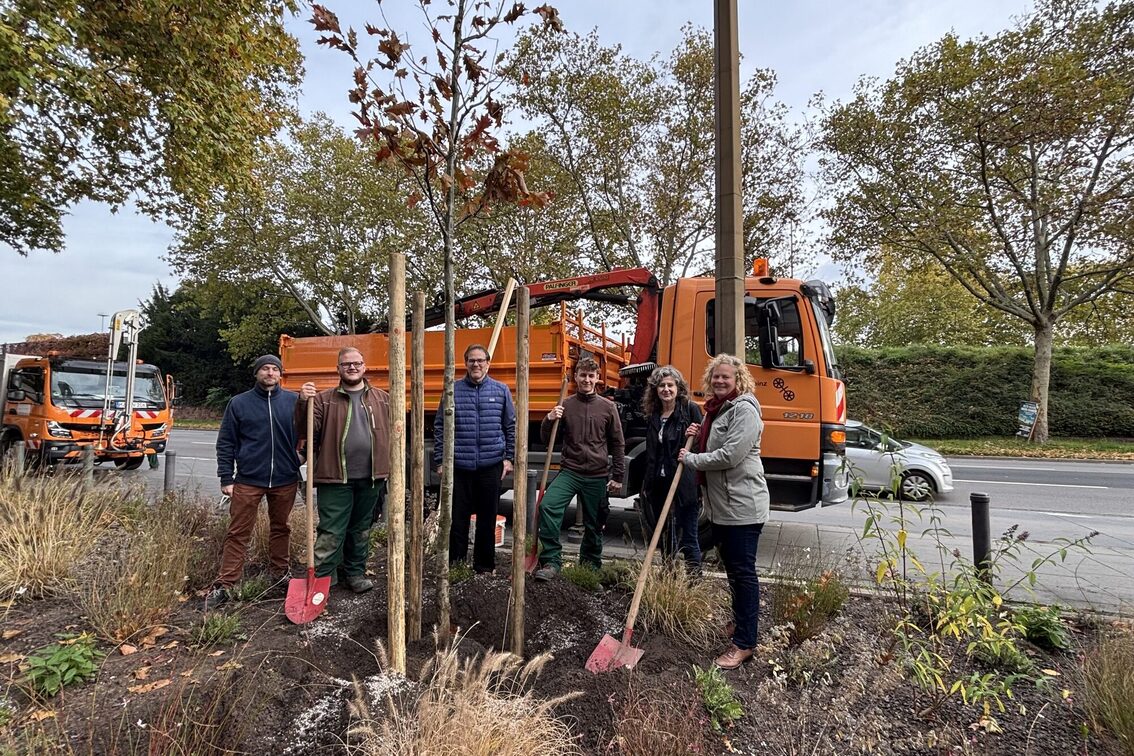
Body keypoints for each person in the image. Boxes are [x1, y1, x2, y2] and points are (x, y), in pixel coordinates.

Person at [678, 353, 769, 670]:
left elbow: (730, 455)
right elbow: (713, 442)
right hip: (724, 506)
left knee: (743, 575)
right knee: (733, 571)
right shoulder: (715, 410)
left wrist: (692, 460)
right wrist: (698, 433)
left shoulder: (744, 410)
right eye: (715, 376)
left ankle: (745, 643)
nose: (719, 381)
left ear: (738, 380)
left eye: (726, 377)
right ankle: (741, 623)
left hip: (743, 506)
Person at [208, 354, 301, 610]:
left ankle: (280, 573)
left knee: (282, 527)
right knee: (238, 532)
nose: (270, 373)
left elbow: (307, 434)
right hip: (248, 480)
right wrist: (226, 477)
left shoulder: (293, 402)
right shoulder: (239, 404)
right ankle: (226, 583)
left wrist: (299, 457)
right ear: (257, 374)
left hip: (285, 479)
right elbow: (226, 442)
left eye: (274, 369)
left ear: (280, 374)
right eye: (265, 369)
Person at [296, 347, 391, 593]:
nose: (352, 367)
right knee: (331, 529)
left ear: (364, 367)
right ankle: (323, 579)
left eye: (357, 363)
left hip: (371, 478)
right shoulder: (323, 400)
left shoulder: (383, 399)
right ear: (338, 368)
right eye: (346, 364)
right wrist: (302, 403)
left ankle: (355, 573)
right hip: (334, 477)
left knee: (360, 529)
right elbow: (305, 431)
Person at [533, 357, 625, 581]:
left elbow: (617, 442)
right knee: (548, 506)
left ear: (597, 379)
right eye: (582, 375)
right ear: (576, 376)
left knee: (595, 524)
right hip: (570, 471)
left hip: (597, 474)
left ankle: (590, 568)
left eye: (591, 376)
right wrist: (549, 418)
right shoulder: (566, 405)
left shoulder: (608, 407)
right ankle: (551, 562)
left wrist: (618, 475)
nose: (586, 379)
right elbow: (547, 439)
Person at [434, 344, 517, 574]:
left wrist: (509, 458)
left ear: (488, 363)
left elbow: (510, 426)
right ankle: (457, 566)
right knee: (457, 519)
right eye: (472, 360)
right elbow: (440, 426)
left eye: (480, 360)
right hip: (460, 466)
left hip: (491, 466)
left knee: (487, 519)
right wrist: (441, 461)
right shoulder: (452, 390)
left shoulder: (501, 391)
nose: (476, 364)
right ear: (465, 363)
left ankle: (484, 567)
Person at [640, 365, 704, 572]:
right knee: (666, 534)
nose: (666, 389)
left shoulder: (689, 410)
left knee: (689, 536)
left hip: (684, 483)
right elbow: (652, 452)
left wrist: (696, 435)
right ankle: (668, 577)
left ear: (678, 388)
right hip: (659, 484)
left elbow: (703, 444)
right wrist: (647, 485)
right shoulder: (654, 414)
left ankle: (694, 580)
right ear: (655, 390)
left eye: (670, 385)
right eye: (661, 385)